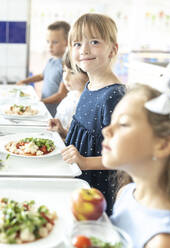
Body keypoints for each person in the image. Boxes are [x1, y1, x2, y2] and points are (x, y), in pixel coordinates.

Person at [102, 81, 170, 247]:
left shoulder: (168, 241)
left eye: (123, 123)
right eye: (111, 121)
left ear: (164, 145)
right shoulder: (126, 194)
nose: (106, 130)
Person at [49, 13, 125, 215]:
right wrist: (64, 132)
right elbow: (88, 137)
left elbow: (121, 156)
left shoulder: (114, 96)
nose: (84, 50)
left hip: (94, 188)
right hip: (76, 176)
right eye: (77, 43)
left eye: (94, 41)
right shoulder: (90, 86)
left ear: (113, 49)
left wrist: (83, 162)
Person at [16, 21, 70, 117]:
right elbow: (42, 75)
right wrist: (24, 81)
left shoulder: (66, 65)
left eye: (55, 42)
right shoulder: (51, 61)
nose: (50, 46)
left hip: (57, 113)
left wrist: (40, 102)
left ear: (66, 42)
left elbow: (61, 95)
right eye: (48, 42)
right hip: (46, 109)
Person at [54, 49, 88, 131]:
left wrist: (62, 132)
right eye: (64, 70)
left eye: (72, 72)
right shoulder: (72, 94)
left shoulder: (84, 103)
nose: (65, 77)